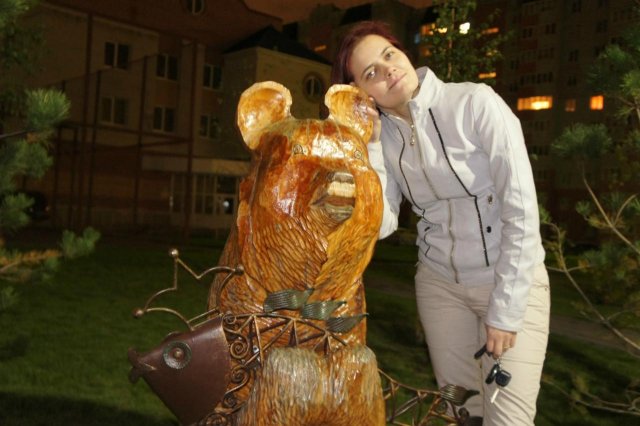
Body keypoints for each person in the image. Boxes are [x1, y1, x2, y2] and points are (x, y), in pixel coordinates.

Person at [331, 21, 550, 426]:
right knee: (463, 414)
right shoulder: (384, 138)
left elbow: (521, 209)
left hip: (506, 279)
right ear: (360, 93)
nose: (388, 69)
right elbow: (380, 225)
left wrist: (505, 311)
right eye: (371, 72)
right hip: (440, 288)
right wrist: (373, 145)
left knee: (509, 420)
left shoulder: (475, 103)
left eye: (389, 54)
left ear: (403, 53)